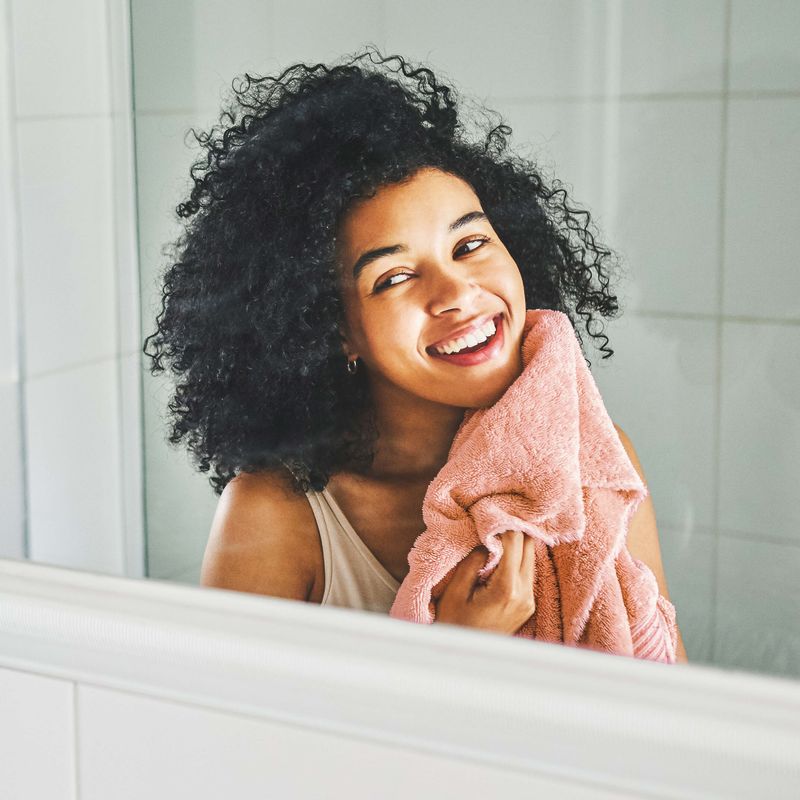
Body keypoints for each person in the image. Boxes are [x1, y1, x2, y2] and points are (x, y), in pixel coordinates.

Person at [143, 47, 687, 660]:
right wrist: (456, 654)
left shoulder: (597, 462)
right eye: (395, 277)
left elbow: (674, 698)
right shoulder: (279, 515)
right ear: (333, 329)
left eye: (470, 244)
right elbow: (226, 721)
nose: (458, 294)